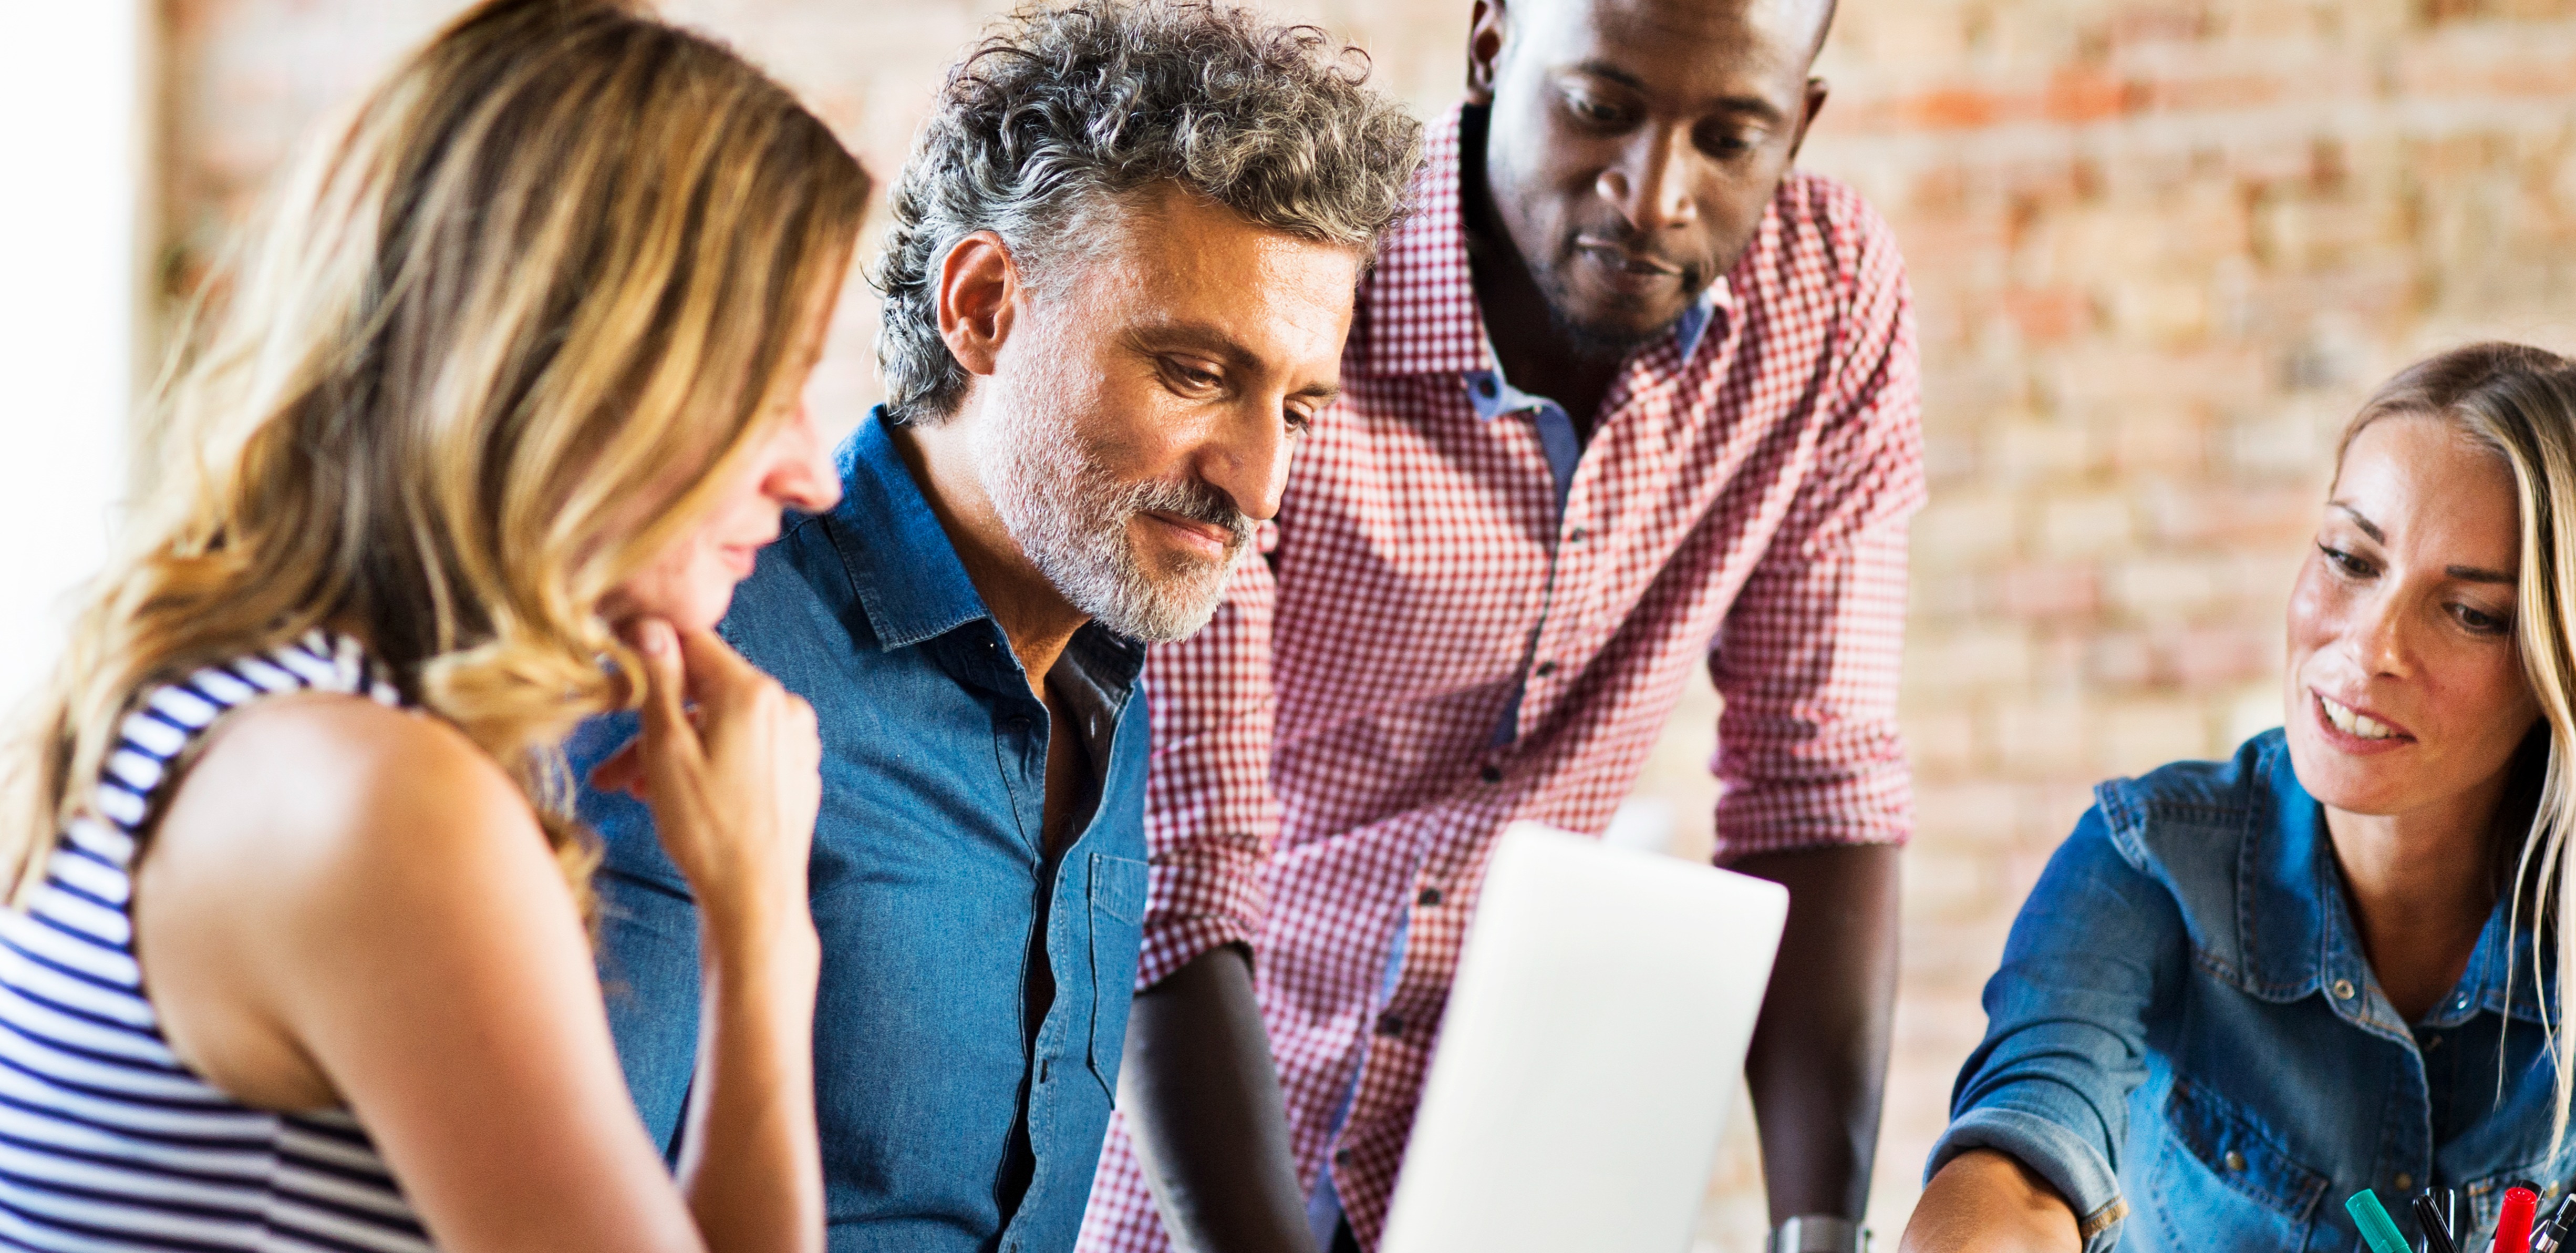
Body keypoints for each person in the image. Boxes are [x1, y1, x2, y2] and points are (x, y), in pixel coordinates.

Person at [0, 2, 871, 1250]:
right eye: (772, 385)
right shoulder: (379, 797)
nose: (813, 470)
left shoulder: (227, 707)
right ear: (588, 367)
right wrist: (765, 924)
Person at [566, 5, 1423, 1251]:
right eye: (1192, 374)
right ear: (979, 306)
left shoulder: (1127, 672)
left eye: (1296, 408)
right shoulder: (698, 659)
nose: (1257, 483)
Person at [1080, 0, 1922, 1249]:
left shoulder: (1827, 303)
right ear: (1489, 44)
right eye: (1598, 110)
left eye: (1731, 138)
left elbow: (1817, 789)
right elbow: (1175, 869)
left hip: (1499, 1177)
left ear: (1798, 124)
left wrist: (1819, 1237)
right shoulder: (1299, 284)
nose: (1651, 196)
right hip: (1185, 1151)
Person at [1903, 343, 2576, 1252]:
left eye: (2470, 613)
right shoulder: (2146, 861)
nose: (2368, 647)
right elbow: (2021, 1155)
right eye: (2351, 559)